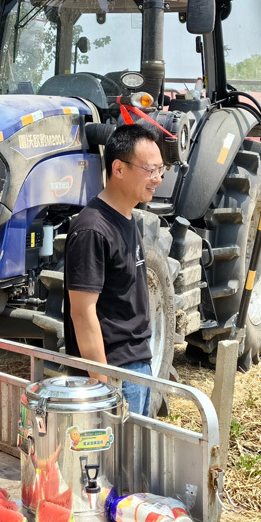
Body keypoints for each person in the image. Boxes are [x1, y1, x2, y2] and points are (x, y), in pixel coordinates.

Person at [63, 124, 166, 416]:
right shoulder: (92, 230)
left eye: (161, 169)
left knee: (135, 459)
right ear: (118, 169)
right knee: (116, 460)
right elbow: (82, 313)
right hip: (115, 372)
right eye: (150, 170)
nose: (157, 178)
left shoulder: (128, 217)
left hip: (138, 366)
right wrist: (103, 386)